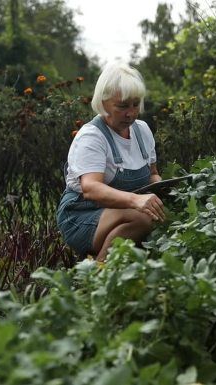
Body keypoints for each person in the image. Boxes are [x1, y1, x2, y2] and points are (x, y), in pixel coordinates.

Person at [56, 63, 165, 262]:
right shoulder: (92, 137)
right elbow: (91, 188)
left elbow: (152, 173)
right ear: (103, 102)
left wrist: (161, 190)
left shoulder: (143, 131)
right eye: (122, 106)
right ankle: (98, 278)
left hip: (124, 212)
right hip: (82, 215)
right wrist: (136, 200)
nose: (131, 113)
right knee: (142, 218)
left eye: (135, 104)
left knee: (156, 215)